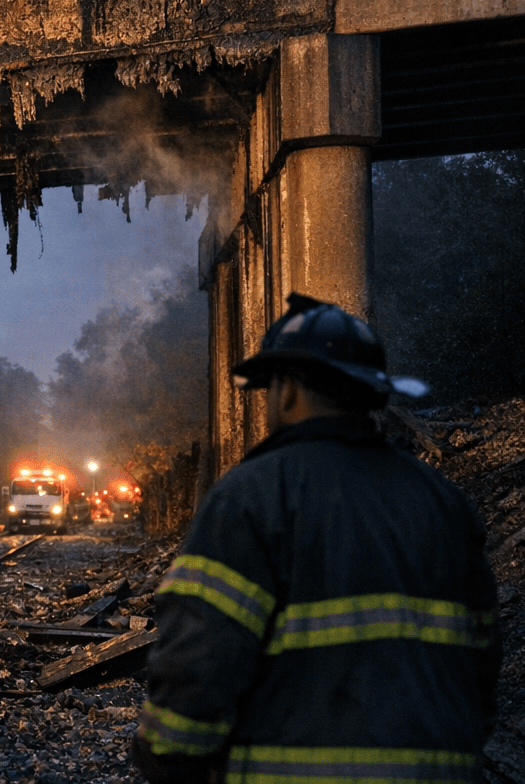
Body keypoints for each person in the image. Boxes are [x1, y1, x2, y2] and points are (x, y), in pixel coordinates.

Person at [132, 294, 499, 784]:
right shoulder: (445, 503)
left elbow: (200, 660)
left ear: (287, 392)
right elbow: (482, 659)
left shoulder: (252, 497)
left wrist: (166, 755)